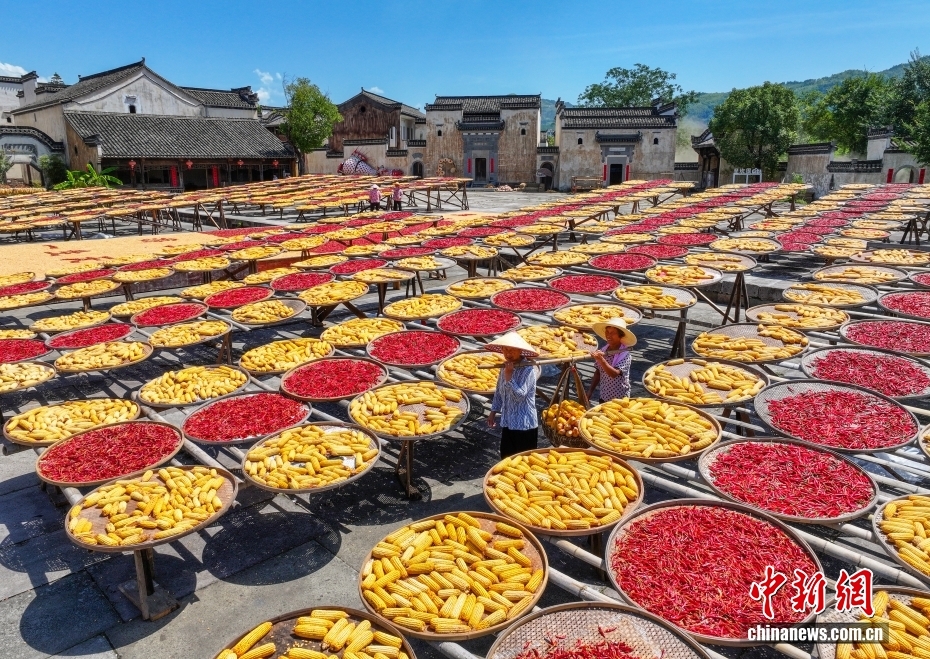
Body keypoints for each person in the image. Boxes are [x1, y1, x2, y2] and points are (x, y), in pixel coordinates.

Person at [485, 332, 540, 458]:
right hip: (508, 422)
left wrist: (509, 377)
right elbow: (499, 392)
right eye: (505, 350)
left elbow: (520, 396)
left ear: (520, 351)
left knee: (524, 461)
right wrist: (493, 412)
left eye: (512, 350)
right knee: (506, 458)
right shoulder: (504, 367)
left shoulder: (528, 370)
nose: (508, 354)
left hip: (524, 425)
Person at [587, 317, 637, 403]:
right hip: (604, 395)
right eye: (607, 332)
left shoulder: (625, 355)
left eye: (613, 333)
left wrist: (601, 360)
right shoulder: (604, 350)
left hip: (620, 398)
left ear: (620, 336)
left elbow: (614, 374)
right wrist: (590, 391)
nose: (609, 335)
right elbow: (598, 372)